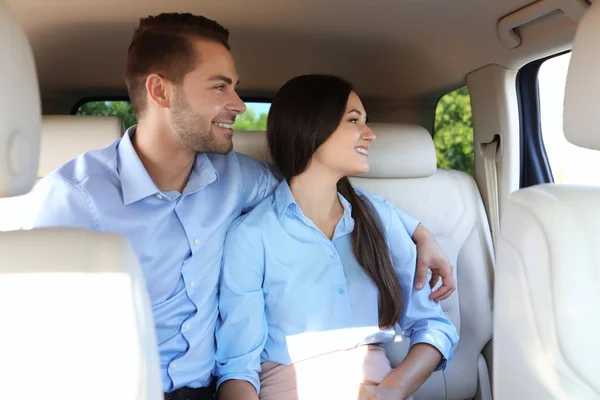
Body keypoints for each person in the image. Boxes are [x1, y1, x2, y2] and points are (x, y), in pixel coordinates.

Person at [24, 13, 455, 400]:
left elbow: (316, 189)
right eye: (219, 86)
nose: (240, 105)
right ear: (160, 91)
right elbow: (36, 334)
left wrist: (417, 231)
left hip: (206, 389)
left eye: (235, 86)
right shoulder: (75, 199)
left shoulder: (238, 178)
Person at [215, 75, 459, 400]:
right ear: (311, 127)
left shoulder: (378, 219)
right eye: (354, 120)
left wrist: (393, 390)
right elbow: (237, 369)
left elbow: (434, 326)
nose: (370, 135)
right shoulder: (251, 237)